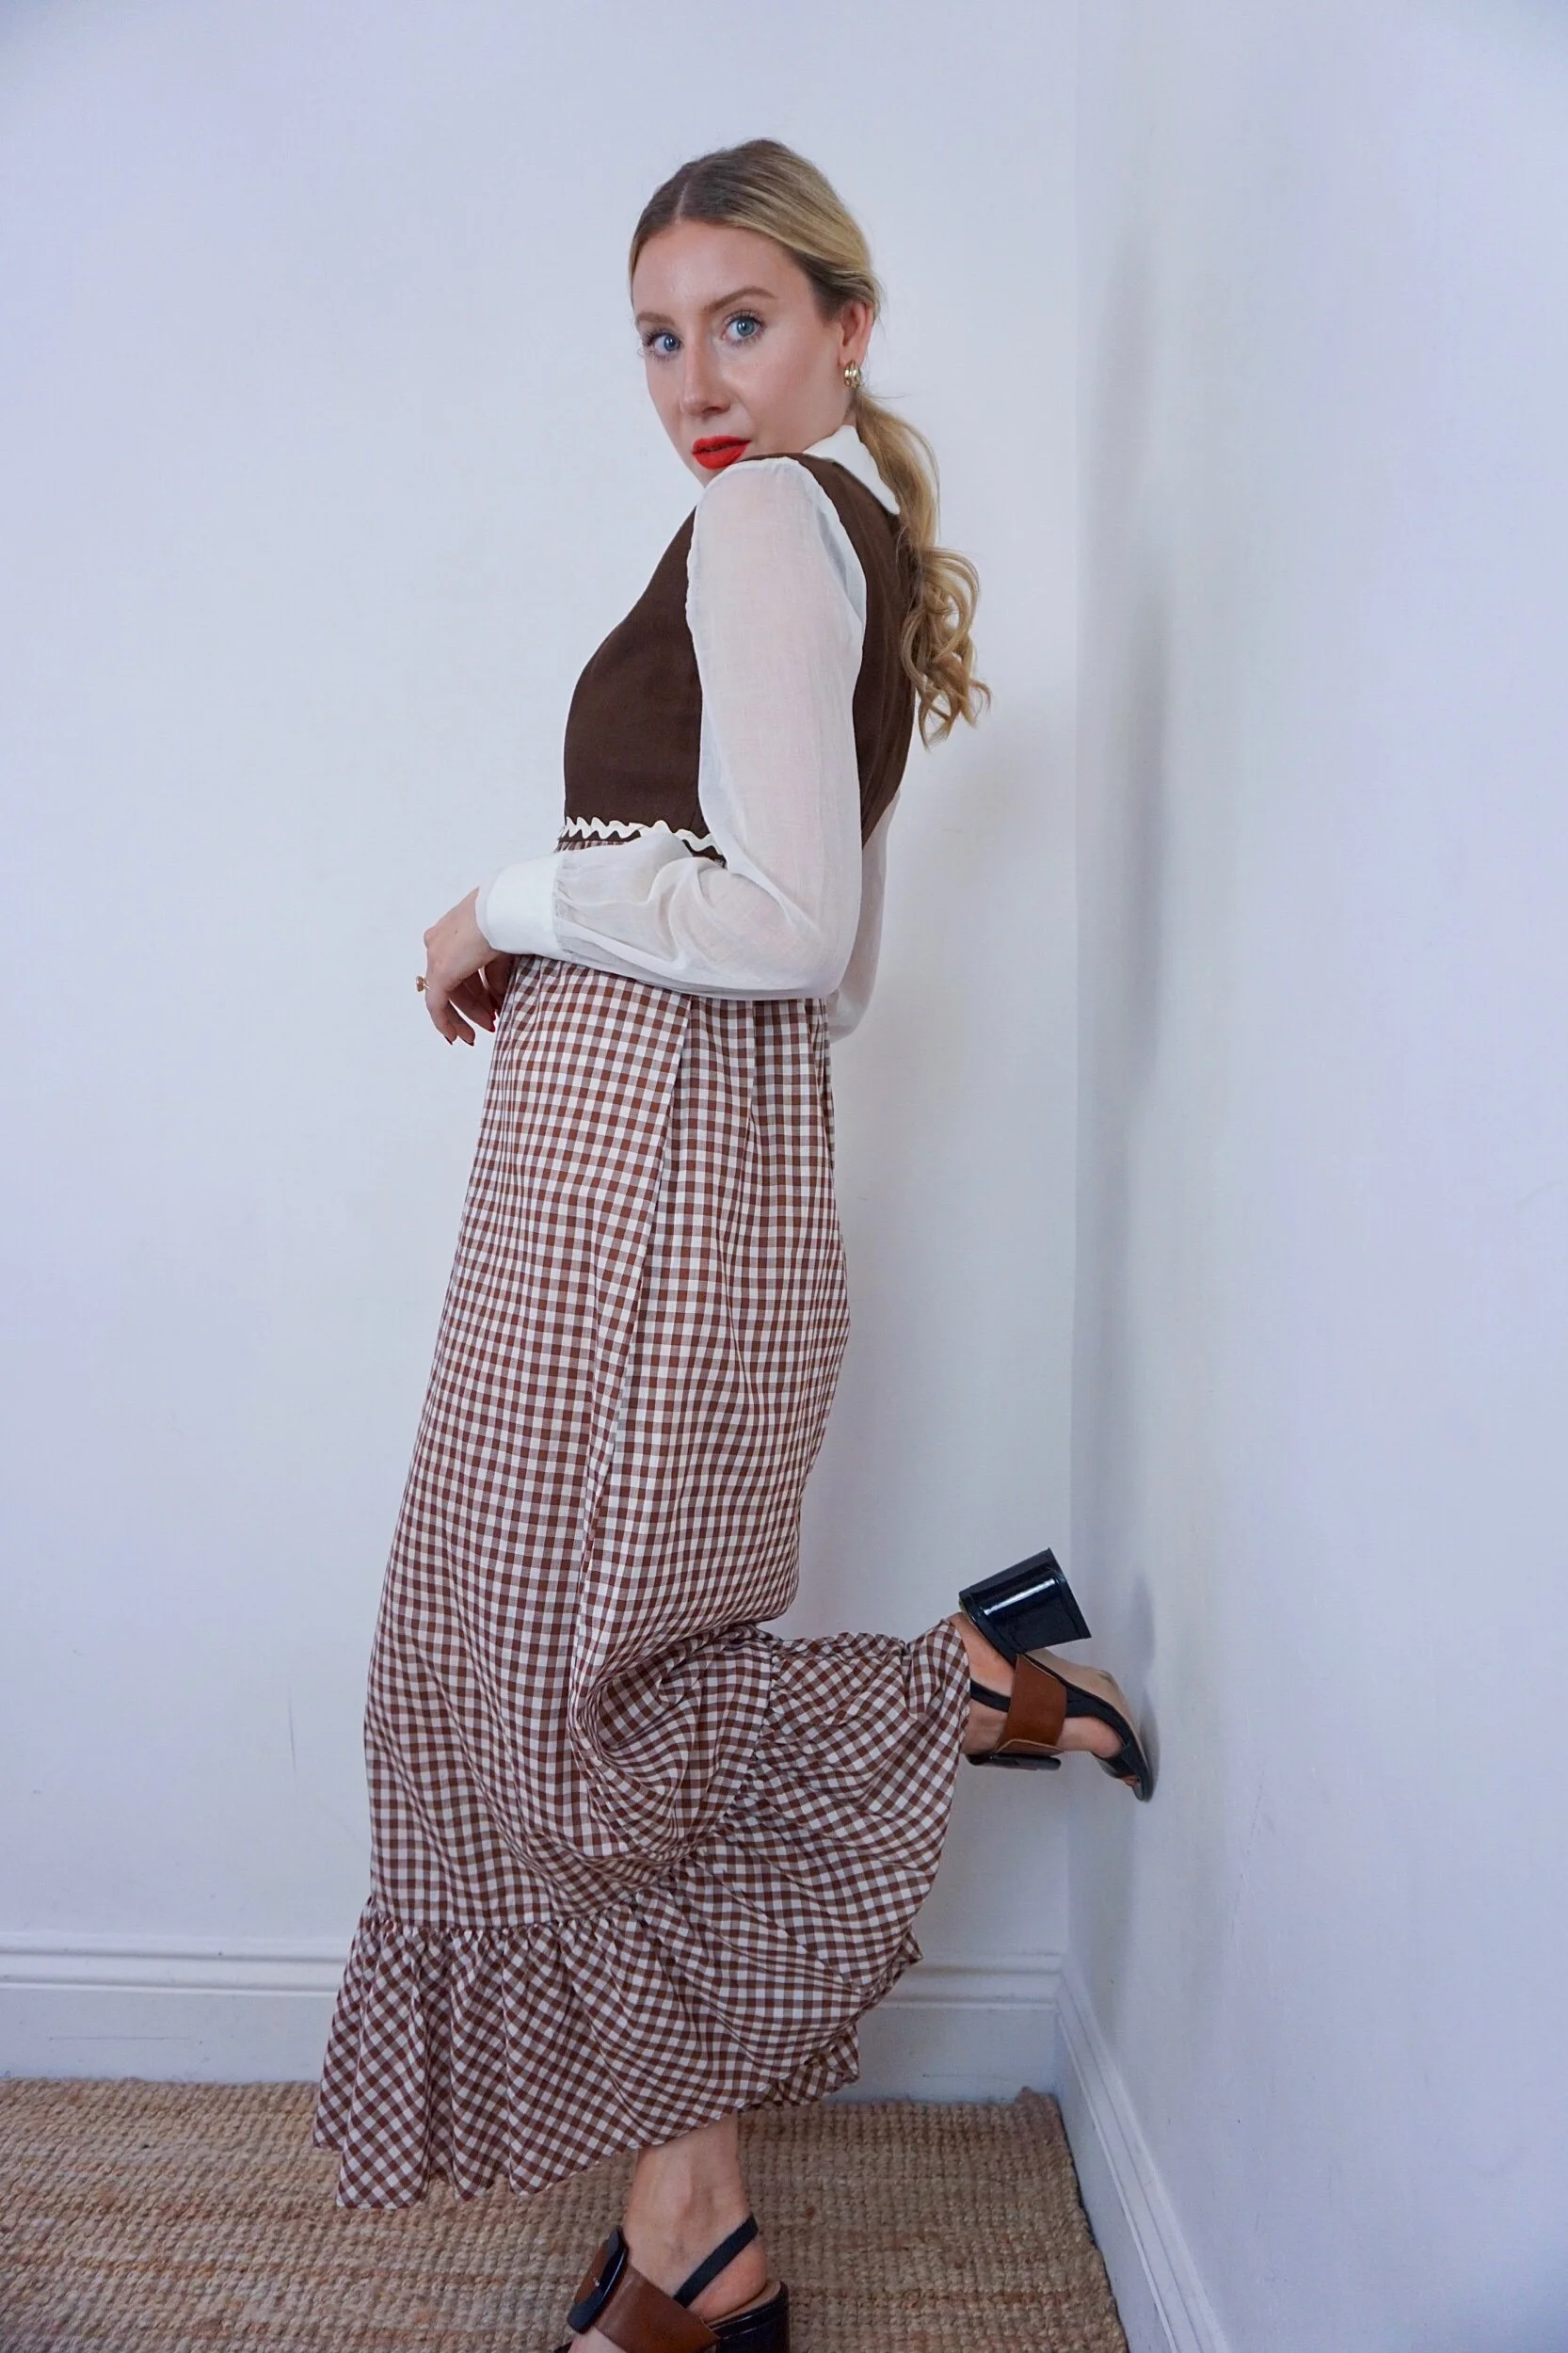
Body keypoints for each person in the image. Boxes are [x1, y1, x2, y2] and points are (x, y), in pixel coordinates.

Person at [312, 137, 1151, 2353]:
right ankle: (696, 2220)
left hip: (645, 1162)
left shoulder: (772, 516)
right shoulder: (815, 530)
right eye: (658, 338)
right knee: (534, 1674)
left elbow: (784, 934)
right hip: (655, 1136)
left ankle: (934, 1710)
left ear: (845, 331)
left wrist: (508, 902)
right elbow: (824, 955)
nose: (695, 379)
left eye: (742, 323)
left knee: (539, 1689)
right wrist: (589, 943)